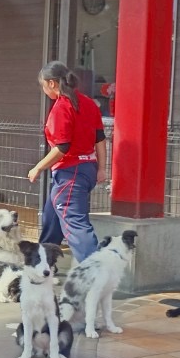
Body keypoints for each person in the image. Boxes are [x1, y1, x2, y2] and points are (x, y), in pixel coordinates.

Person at [26, 62, 107, 262]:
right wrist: (101, 168)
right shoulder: (88, 103)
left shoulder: (62, 107)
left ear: (52, 83)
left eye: (43, 85)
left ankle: (93, 269)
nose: (44, 90)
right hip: (87, 168)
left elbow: (62, 147)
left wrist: (38, 167)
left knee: (76, 225)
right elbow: (100, 138)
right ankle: (40, 262)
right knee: (52, 217)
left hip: (70, 173)